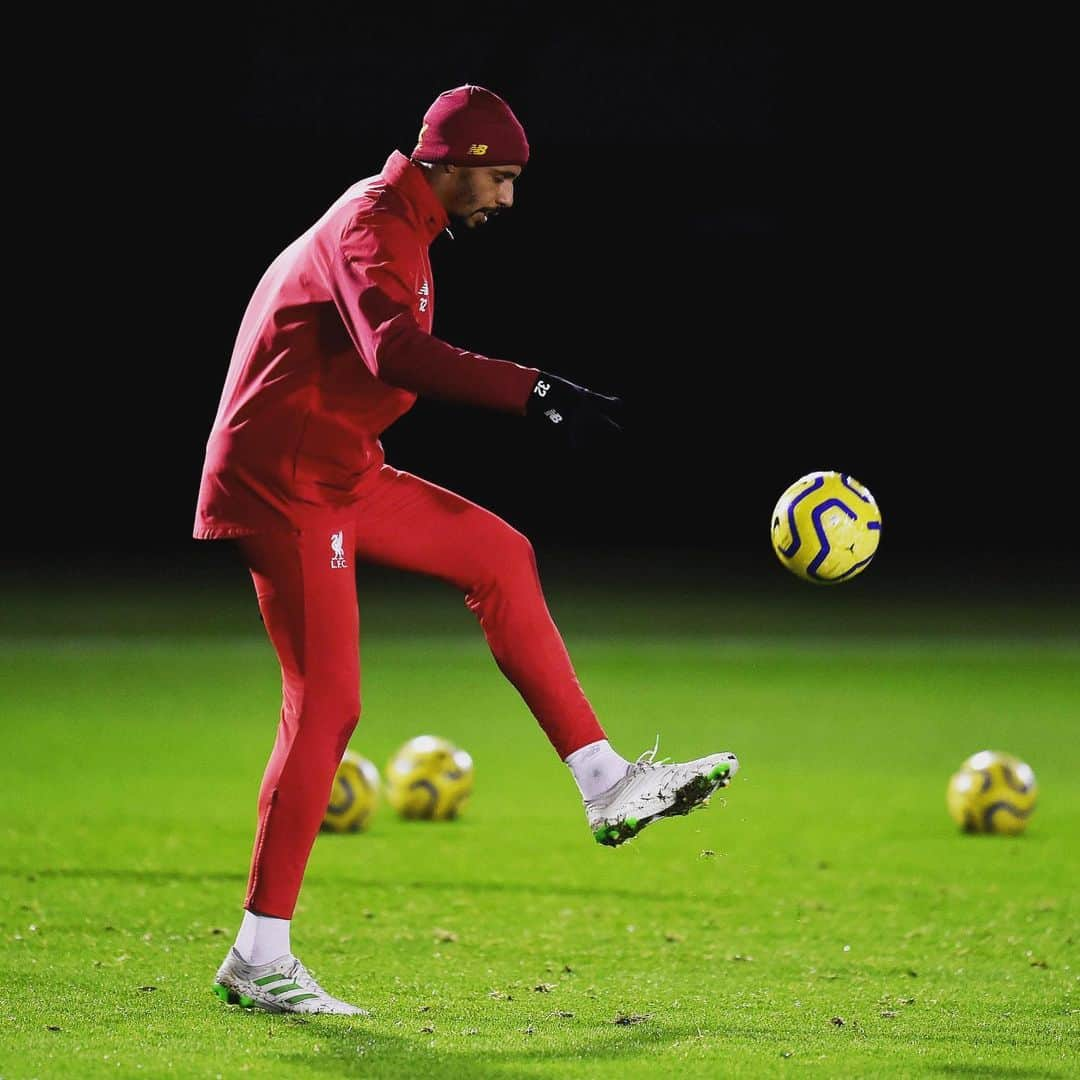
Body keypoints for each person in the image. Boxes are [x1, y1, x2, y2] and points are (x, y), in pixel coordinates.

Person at [194, 84, 739, 1015]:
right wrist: (529, 389)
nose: (507, 199)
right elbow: (392, 352)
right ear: (451, 160)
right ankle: (259, 956)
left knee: (499, 554)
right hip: (287, 484)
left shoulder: (403, 221)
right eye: (500, 177)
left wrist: (528, 390)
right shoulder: (375, 218)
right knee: (326, 705)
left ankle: (605, 782)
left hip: (340, 468)